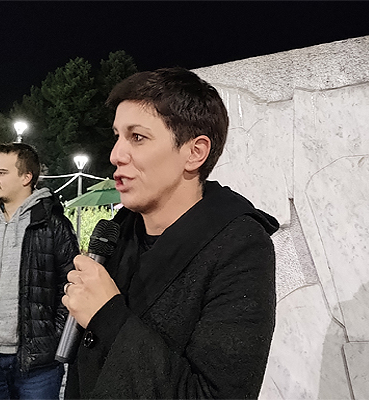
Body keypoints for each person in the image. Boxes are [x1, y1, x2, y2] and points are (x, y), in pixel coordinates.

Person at [63, 67, 279, 399]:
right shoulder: (118, 232)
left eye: (137, 137)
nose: (116, 155)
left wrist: (107, 316)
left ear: (195, 152)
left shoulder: (240, 247)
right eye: (117, 136)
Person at [0, 142, 80, 400]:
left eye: (1, 172)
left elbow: (71, 287)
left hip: (38, 365)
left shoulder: (53, 225)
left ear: (26, 177)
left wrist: (51, 339)